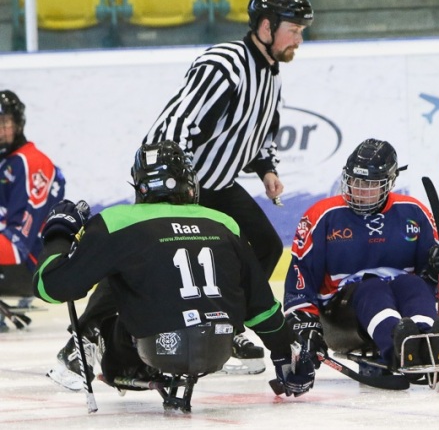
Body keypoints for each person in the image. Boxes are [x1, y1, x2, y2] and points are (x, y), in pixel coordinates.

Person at [48, 0, 315, 379]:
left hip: (216, 183)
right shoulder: (227, 64)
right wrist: (169, 187)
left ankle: (224, 326)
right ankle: (84, 339)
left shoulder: (271, 74)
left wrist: (266, 169)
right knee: (140, 251)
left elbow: (257, 133)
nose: (299, 38)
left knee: (263, 245)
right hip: (177, 185)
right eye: (293, 29)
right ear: (264, 26)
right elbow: (178, 124)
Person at [33, 141, 315, 408]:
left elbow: (50, 287)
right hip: (218, 349)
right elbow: (261, 305)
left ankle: (86, 342)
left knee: (119, 268)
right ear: (188, 182)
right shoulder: (224, 221)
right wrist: (283, 354)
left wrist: (59, 233)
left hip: (156, 351)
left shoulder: (116, 221)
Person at [283, 138, 439, 386]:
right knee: (373, 287)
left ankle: (426, 344)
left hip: (400, 299)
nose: (359, 190)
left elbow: (434, 277)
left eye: (370, 184)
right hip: (342, 314)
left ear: (390, 183)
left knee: (413, 285)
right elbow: (302, 274)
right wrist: (304, 324)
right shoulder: (323, 216)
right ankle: (399, 350)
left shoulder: (413, 212)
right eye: (355, 181)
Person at [0, 90, 65, 331]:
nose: (0, 131)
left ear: (18, 125)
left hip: (30, 265)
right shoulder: (7, 161)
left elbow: (18, 246)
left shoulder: (30, 163)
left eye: (5, 123)